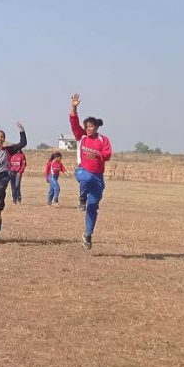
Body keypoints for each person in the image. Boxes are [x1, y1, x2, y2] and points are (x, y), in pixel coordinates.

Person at [70, 94, 112, 250]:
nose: (88, 129)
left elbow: (108, 154)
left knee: (93, 206)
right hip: (82, 171)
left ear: (96, 127)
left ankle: (88, 234)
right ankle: (81, 199)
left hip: (98, 178)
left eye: (91, 126)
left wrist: (98, 154)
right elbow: (73, 122)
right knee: (86, 177)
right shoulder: (81, 136)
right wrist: (74, 107)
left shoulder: (103, 140)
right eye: (86, 126)